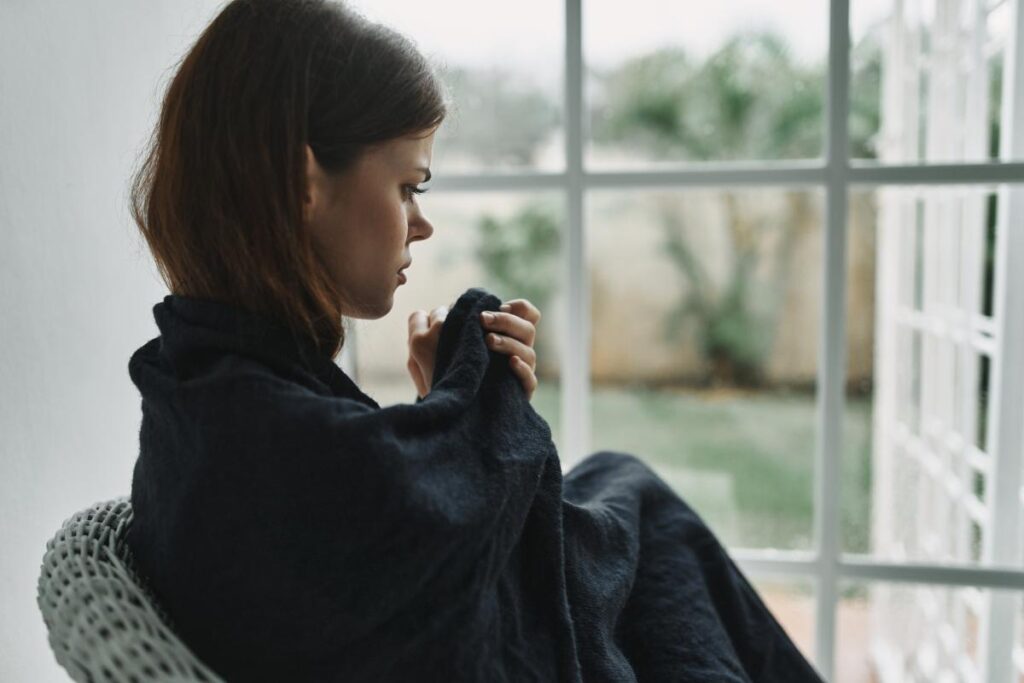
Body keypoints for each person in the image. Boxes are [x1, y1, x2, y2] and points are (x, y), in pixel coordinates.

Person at [125, 1, 825, 681]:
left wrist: (444, 408)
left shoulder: (200, 384)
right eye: (406, 186)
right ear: (298, 181)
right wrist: (476, 403)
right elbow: (437, 596)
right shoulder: (259, 430)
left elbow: (371, 533)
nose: (419, 223)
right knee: (646, 519)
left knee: (623, 485)